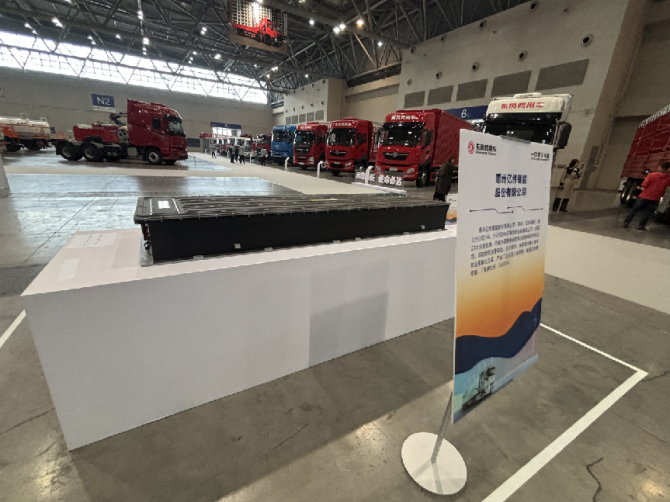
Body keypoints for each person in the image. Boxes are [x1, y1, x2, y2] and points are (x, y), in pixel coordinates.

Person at [624, 160, 670, 230]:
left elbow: (644, 185)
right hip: (655, 198)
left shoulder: (652, 175)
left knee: (635, 209)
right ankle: (641, 226)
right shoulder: (668, 178)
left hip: (644, 196)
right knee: (648, 213)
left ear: (660, 167)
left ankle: (627, 222)